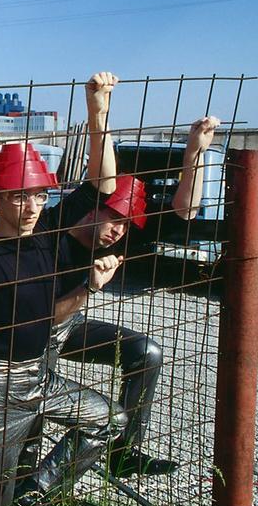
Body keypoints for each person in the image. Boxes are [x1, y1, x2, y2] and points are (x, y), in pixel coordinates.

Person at [0, 72, 128, 506]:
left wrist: (98, 111)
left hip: (42, 374)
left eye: (38, 196)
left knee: (109, 419)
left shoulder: (48, 231)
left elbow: (104, 185)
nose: (32, 206)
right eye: (18, 197)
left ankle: (37, 491)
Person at [21, 116, 221, 479]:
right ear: (92, 207)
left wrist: (194, 152)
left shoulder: (120, 236)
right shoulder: (53, 228)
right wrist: (91, 287)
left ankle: (122, 453)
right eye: (114, 219)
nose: (119, 231)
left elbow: (185, 211)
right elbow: (45, 318)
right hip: (30, 329)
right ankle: (25, 476)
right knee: (34, 394)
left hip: (70, 322)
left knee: (146, 353)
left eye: (127, 224)